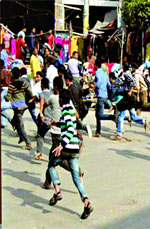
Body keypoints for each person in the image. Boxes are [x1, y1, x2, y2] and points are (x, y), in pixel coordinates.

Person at [47, 89, 93, 220]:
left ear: (61, 100)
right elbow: (68, 124)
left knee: (51, 165)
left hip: (67, 147)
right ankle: (86, 202)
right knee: (76, 178)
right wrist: (56, 123)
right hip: (74, 149)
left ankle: (58, 191)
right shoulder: (70, 111)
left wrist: (62, 145)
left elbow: (70, 131)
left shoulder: (66, 111)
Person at [35, 77, 61, 160]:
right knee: (55, 140)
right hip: (54, 119)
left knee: (40, 135)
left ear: (42, 85)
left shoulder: (42, 94)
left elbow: (42, 102)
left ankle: (40, 153)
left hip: (46, 119)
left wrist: (41, 112)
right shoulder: (52, 94)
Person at [6, 67, 32, 150]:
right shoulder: (23, 83)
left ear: (12, 75)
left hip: (17, 107)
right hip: (23, 106)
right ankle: (21, 137)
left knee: (19, 125)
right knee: (16, 121)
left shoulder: (11, 86)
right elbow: (30, 91)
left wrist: (5, 97)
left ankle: (28, 143)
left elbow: (8, 97)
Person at [92, 61, 115, 137]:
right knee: (97, 114)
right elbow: (109, 85)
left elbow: (98, 82)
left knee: (100, 115)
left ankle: (113, 117)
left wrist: (94, 86)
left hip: (100, 96)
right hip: (105, 96)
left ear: (96, 66)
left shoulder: (98, 72)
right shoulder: (105, 73)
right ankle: (98, 132)